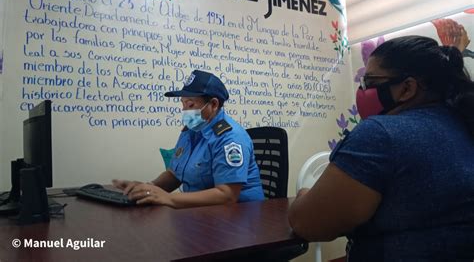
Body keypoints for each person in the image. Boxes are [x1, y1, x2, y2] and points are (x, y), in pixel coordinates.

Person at [288, 36, 474, 261]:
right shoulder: (464, 124)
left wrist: (304, 195)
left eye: (370, 82)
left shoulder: (380, 135)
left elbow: (308, 224)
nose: (362, 90)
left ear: (407, 88)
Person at [113, 70, 264, 208]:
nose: (185, 111)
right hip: (201, 213)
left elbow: (227, 195)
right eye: (183, 104)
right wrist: (147, 188)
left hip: (240, 217)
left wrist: (169, 198)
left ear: (213, 104)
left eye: (190, 104)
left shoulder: (229, 138)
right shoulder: (191, 131)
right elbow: (174, 174)